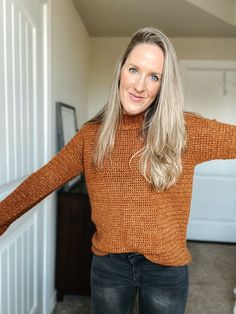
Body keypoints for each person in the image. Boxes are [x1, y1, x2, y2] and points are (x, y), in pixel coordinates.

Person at [1, 27, 236, 314]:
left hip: (166, 270)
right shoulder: (91, 136)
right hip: (109, 267)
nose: (140, 86)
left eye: (154, 77)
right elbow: (44, 179)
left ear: (164, 85)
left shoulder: (184, 131)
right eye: (134, 69)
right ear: (121, 70)